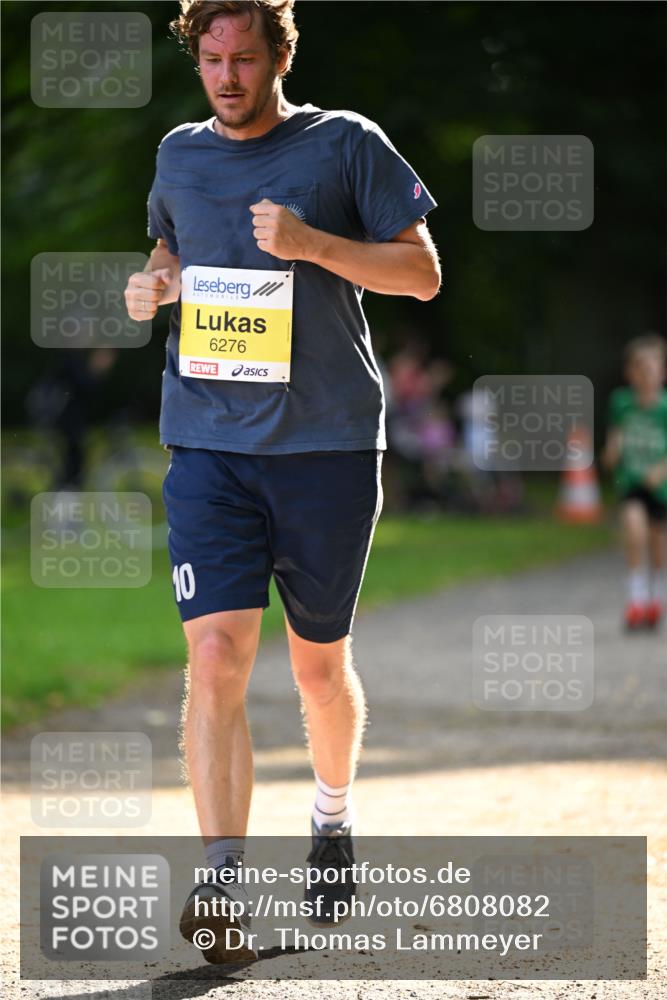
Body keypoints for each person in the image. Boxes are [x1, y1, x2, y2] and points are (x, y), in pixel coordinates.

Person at [123, 0, 440, 964]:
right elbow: (171, 249)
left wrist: (310, 244)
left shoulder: (344, 144)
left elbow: (421, 274)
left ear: (279, 59)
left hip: (325, 446)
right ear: (196, 62)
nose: (227, 77)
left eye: (246, 59)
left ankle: (331, 819)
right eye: (212, 59)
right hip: (208, 444)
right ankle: (222, 883)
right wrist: (154, 282)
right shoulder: (179, 155)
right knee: (216, 656)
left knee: (315, 668)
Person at [602, 333, 667, 630]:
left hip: (660, 488)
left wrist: (661, 470)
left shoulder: (664, 407)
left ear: (662, 372)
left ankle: (656, 597)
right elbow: (616, 434)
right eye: (639, 369)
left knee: (658, 547)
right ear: (630, 373)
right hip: (631, 481)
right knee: (633, 529)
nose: (646, 375)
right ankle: (636, 599)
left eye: (651, 368)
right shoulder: (621, 402)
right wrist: (611, 451)